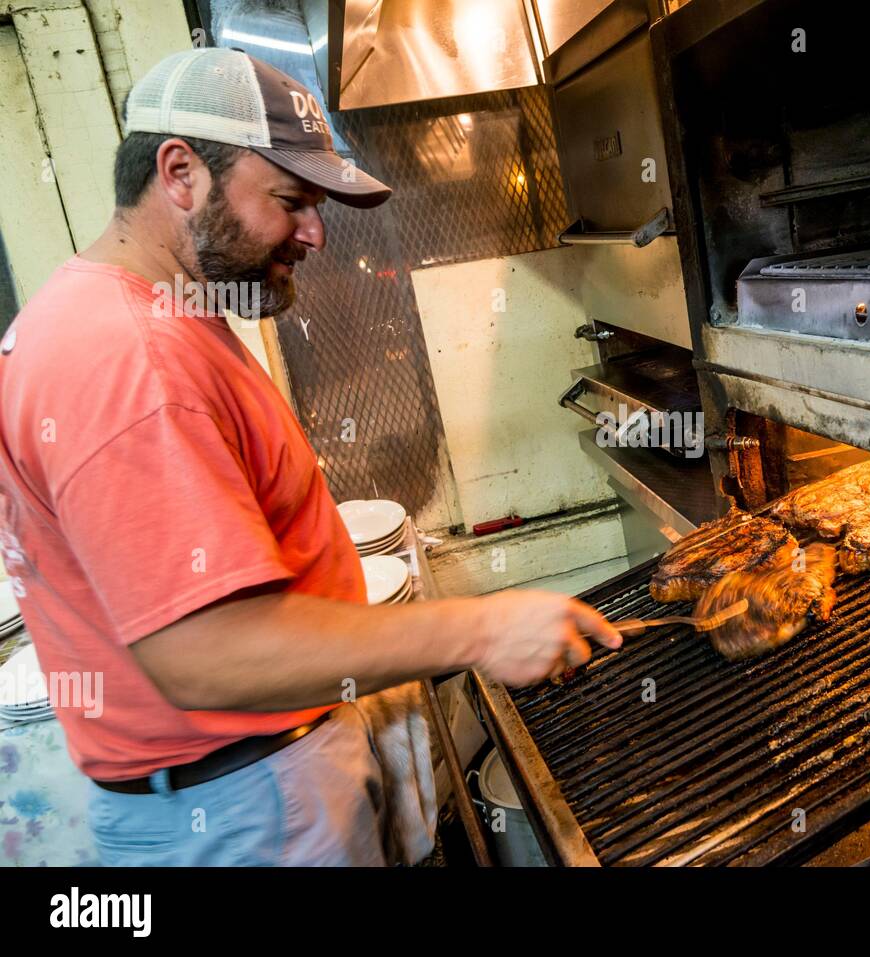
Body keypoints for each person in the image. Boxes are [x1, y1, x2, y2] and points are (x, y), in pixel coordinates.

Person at [0, 47, 621, 866]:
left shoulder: (148, 315)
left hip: (250, 790)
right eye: (290, 200)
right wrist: (479, 626)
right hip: (241, 810)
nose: (316, 232)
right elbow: (204, 652)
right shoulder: (126, 355)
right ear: (180, 172)